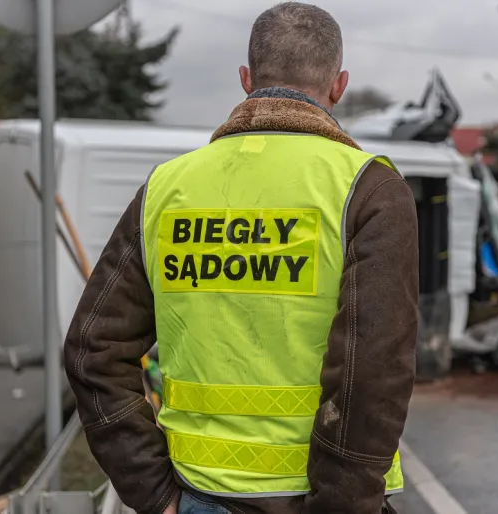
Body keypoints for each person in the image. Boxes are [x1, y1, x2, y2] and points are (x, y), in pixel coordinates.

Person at [63, 3, 419, 513]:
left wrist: (153, 492)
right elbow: (374, 373)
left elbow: (90, 349)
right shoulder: (369, 189)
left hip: (196, 496)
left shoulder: (167, 188)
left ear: (246, 79)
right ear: (339, 85)